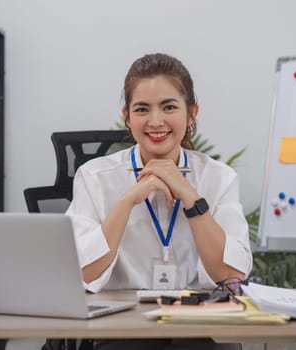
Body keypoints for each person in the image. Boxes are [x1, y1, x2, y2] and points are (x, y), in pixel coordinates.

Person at [66, 53, 252, 350]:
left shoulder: (219, 178)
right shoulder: (95, 176)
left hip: (197, 329)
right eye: (142, 109)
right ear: (127, 116)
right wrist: (126, 201)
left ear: (192, 113)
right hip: (120, 331)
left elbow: (231, 275)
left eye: (169, 107)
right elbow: (81, 272)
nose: (155, 121)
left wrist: (191, 197)